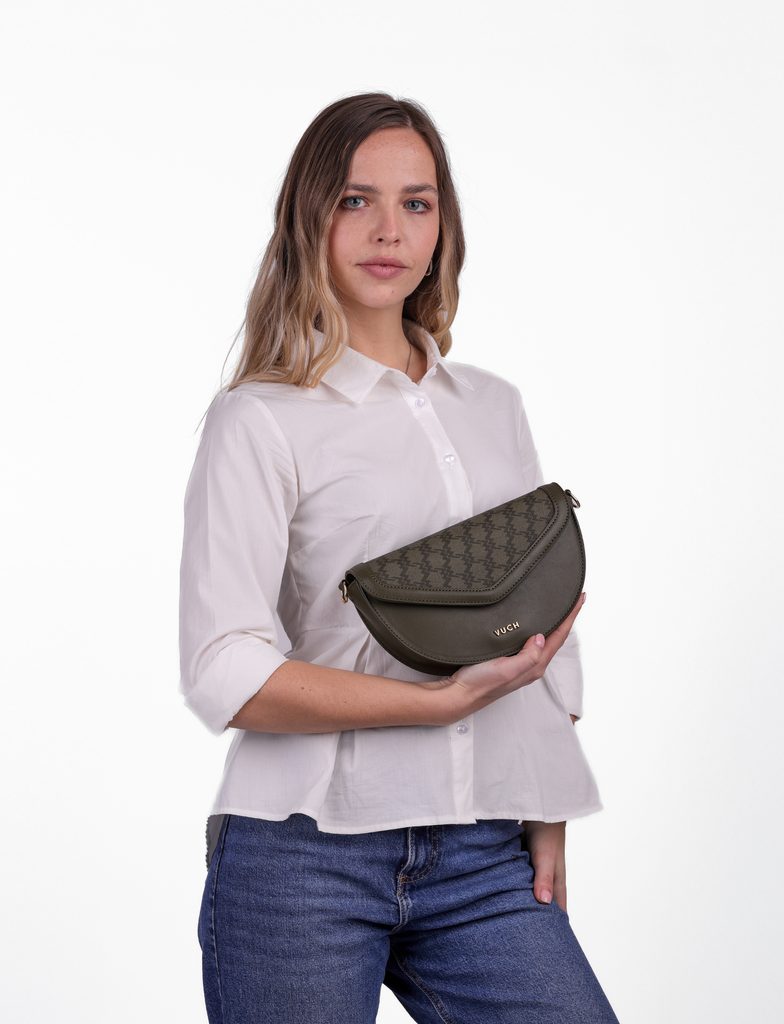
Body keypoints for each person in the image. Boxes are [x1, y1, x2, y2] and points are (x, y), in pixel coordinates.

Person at [179, 91, 620, 1023]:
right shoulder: (258, 418)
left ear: (442, 225)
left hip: (483, 853)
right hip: (303, 855)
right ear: (309, 218)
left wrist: (545, 802)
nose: (390, 231)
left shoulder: (492, 405)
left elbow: (539, 610)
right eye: (355, 200)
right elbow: (224, 668)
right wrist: (434, 703)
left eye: (416, 202)